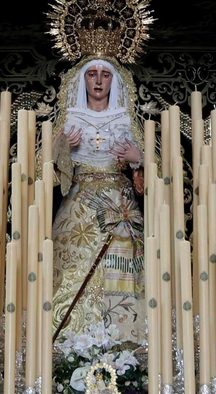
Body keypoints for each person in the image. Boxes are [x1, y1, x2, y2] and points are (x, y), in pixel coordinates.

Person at [49, 58, 145, 342]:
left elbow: (155, 169)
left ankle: (123, 339)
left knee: (121, 265)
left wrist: (137, 159)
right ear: (84, 80)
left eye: (105, 75)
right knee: (73, 265)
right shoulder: (69, 119)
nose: (99, 81)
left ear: (114, 81)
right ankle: (71, 338)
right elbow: (49, 173)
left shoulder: (127, 120)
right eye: (92, 74)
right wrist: (65, 149)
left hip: (119, 202)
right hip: (80, 202)